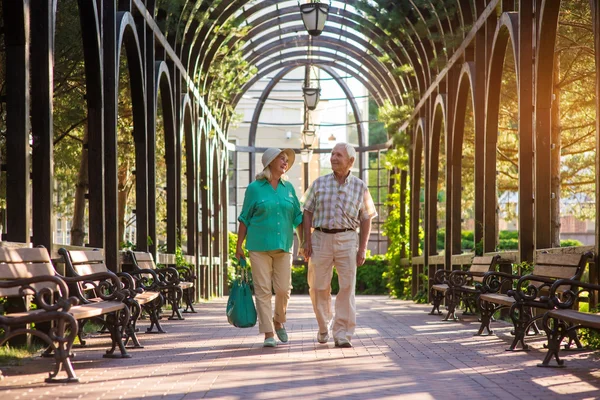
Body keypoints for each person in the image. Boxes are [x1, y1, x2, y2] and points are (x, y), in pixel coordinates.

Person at [301, 143, 377, 348]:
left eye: (339, 155)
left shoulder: (360, 186)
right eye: (332, 154)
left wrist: (362, 248)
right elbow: (306, 211)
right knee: (318, 287)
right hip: (320, 238)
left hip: (348, 239)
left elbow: (367, 217)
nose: (333, 158)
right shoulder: (318, 183)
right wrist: (306, 241)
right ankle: (324, 325)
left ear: (350, 161)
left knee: (347, 288)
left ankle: (342, 333)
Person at [235, 148, 303, 347]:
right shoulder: (255, 188)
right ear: (270, 162)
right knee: (263, 290)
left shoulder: (289, 188)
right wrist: (239, 246)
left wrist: (305, 242)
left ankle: (278, 320)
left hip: (283, 246)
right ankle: (268, 333)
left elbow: (298, 217)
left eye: (286, 159)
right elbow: (244, 218)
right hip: (258, 246)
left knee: (283, 289)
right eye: (281, 158)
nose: (285, 162)